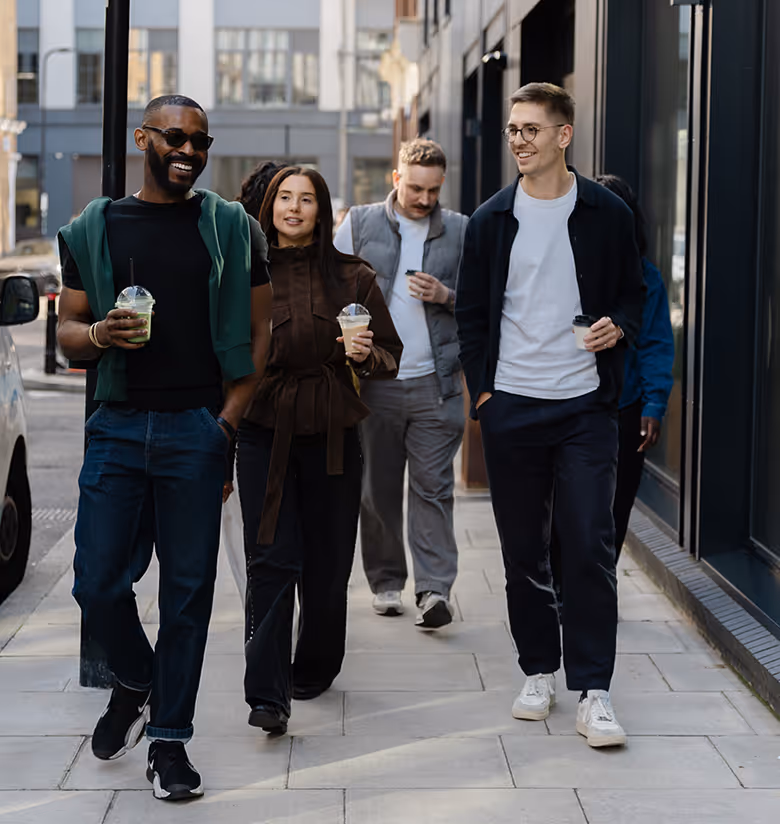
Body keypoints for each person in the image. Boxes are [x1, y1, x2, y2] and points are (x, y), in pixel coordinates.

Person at [56, 95, 273, 801]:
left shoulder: (232, 227)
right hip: (117, 424)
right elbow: (68, 329)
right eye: (176, 136)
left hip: (195, 429)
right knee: (95, 581)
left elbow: (260, 335)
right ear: (145, 138)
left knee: (188, 595)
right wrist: (97, 338)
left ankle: (169, 742)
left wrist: (228, 422)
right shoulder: (97, 225)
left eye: (201, 141)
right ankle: (134, 677)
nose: (190, 150)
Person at [456, 83, 645, 748]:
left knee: (590, 543)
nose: (518, 140)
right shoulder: (489, 221)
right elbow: (470, 315)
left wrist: (615, 327)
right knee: (521, 552)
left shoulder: (605, 212)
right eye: (513, 129)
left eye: (532, 129)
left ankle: (594, 690)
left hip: (586, 407)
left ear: (565, 135)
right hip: (513, 407)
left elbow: (633, 293)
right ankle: (538, 668)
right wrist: (485, 397)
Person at [237, 167, 402, 735]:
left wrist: (362, 355)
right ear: (270, 207)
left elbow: (389, 355)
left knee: (328, 568)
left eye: (306, 199)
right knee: (270, 559)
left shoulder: (353, 277)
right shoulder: (243, 274)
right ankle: (267, 692)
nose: (293, 207)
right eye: (285, 197)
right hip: (265, 431)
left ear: (323, 209)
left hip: (334, 435)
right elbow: (224, 353)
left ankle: (313, 668)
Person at [334, 138, 467, 629]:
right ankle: (387, 581)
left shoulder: (460, 230)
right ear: (396, 179)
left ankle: (434, 591)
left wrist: (446, 294)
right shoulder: (361, 224)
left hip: (437, 384)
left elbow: (483, 300)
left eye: (434, 190)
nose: (424, 199)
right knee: (379, 489)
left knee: (434, 488)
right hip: (376, 384)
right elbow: (328, 285)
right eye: (415, 188)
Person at [550, 176, 674, 605]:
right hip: (564, 400)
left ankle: (594, 590)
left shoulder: (647, 278)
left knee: (614, 508)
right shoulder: (559, 266)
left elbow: (657, 343)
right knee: (561, 503)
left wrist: (654, 404)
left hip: (624, 407)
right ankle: (561, 585)